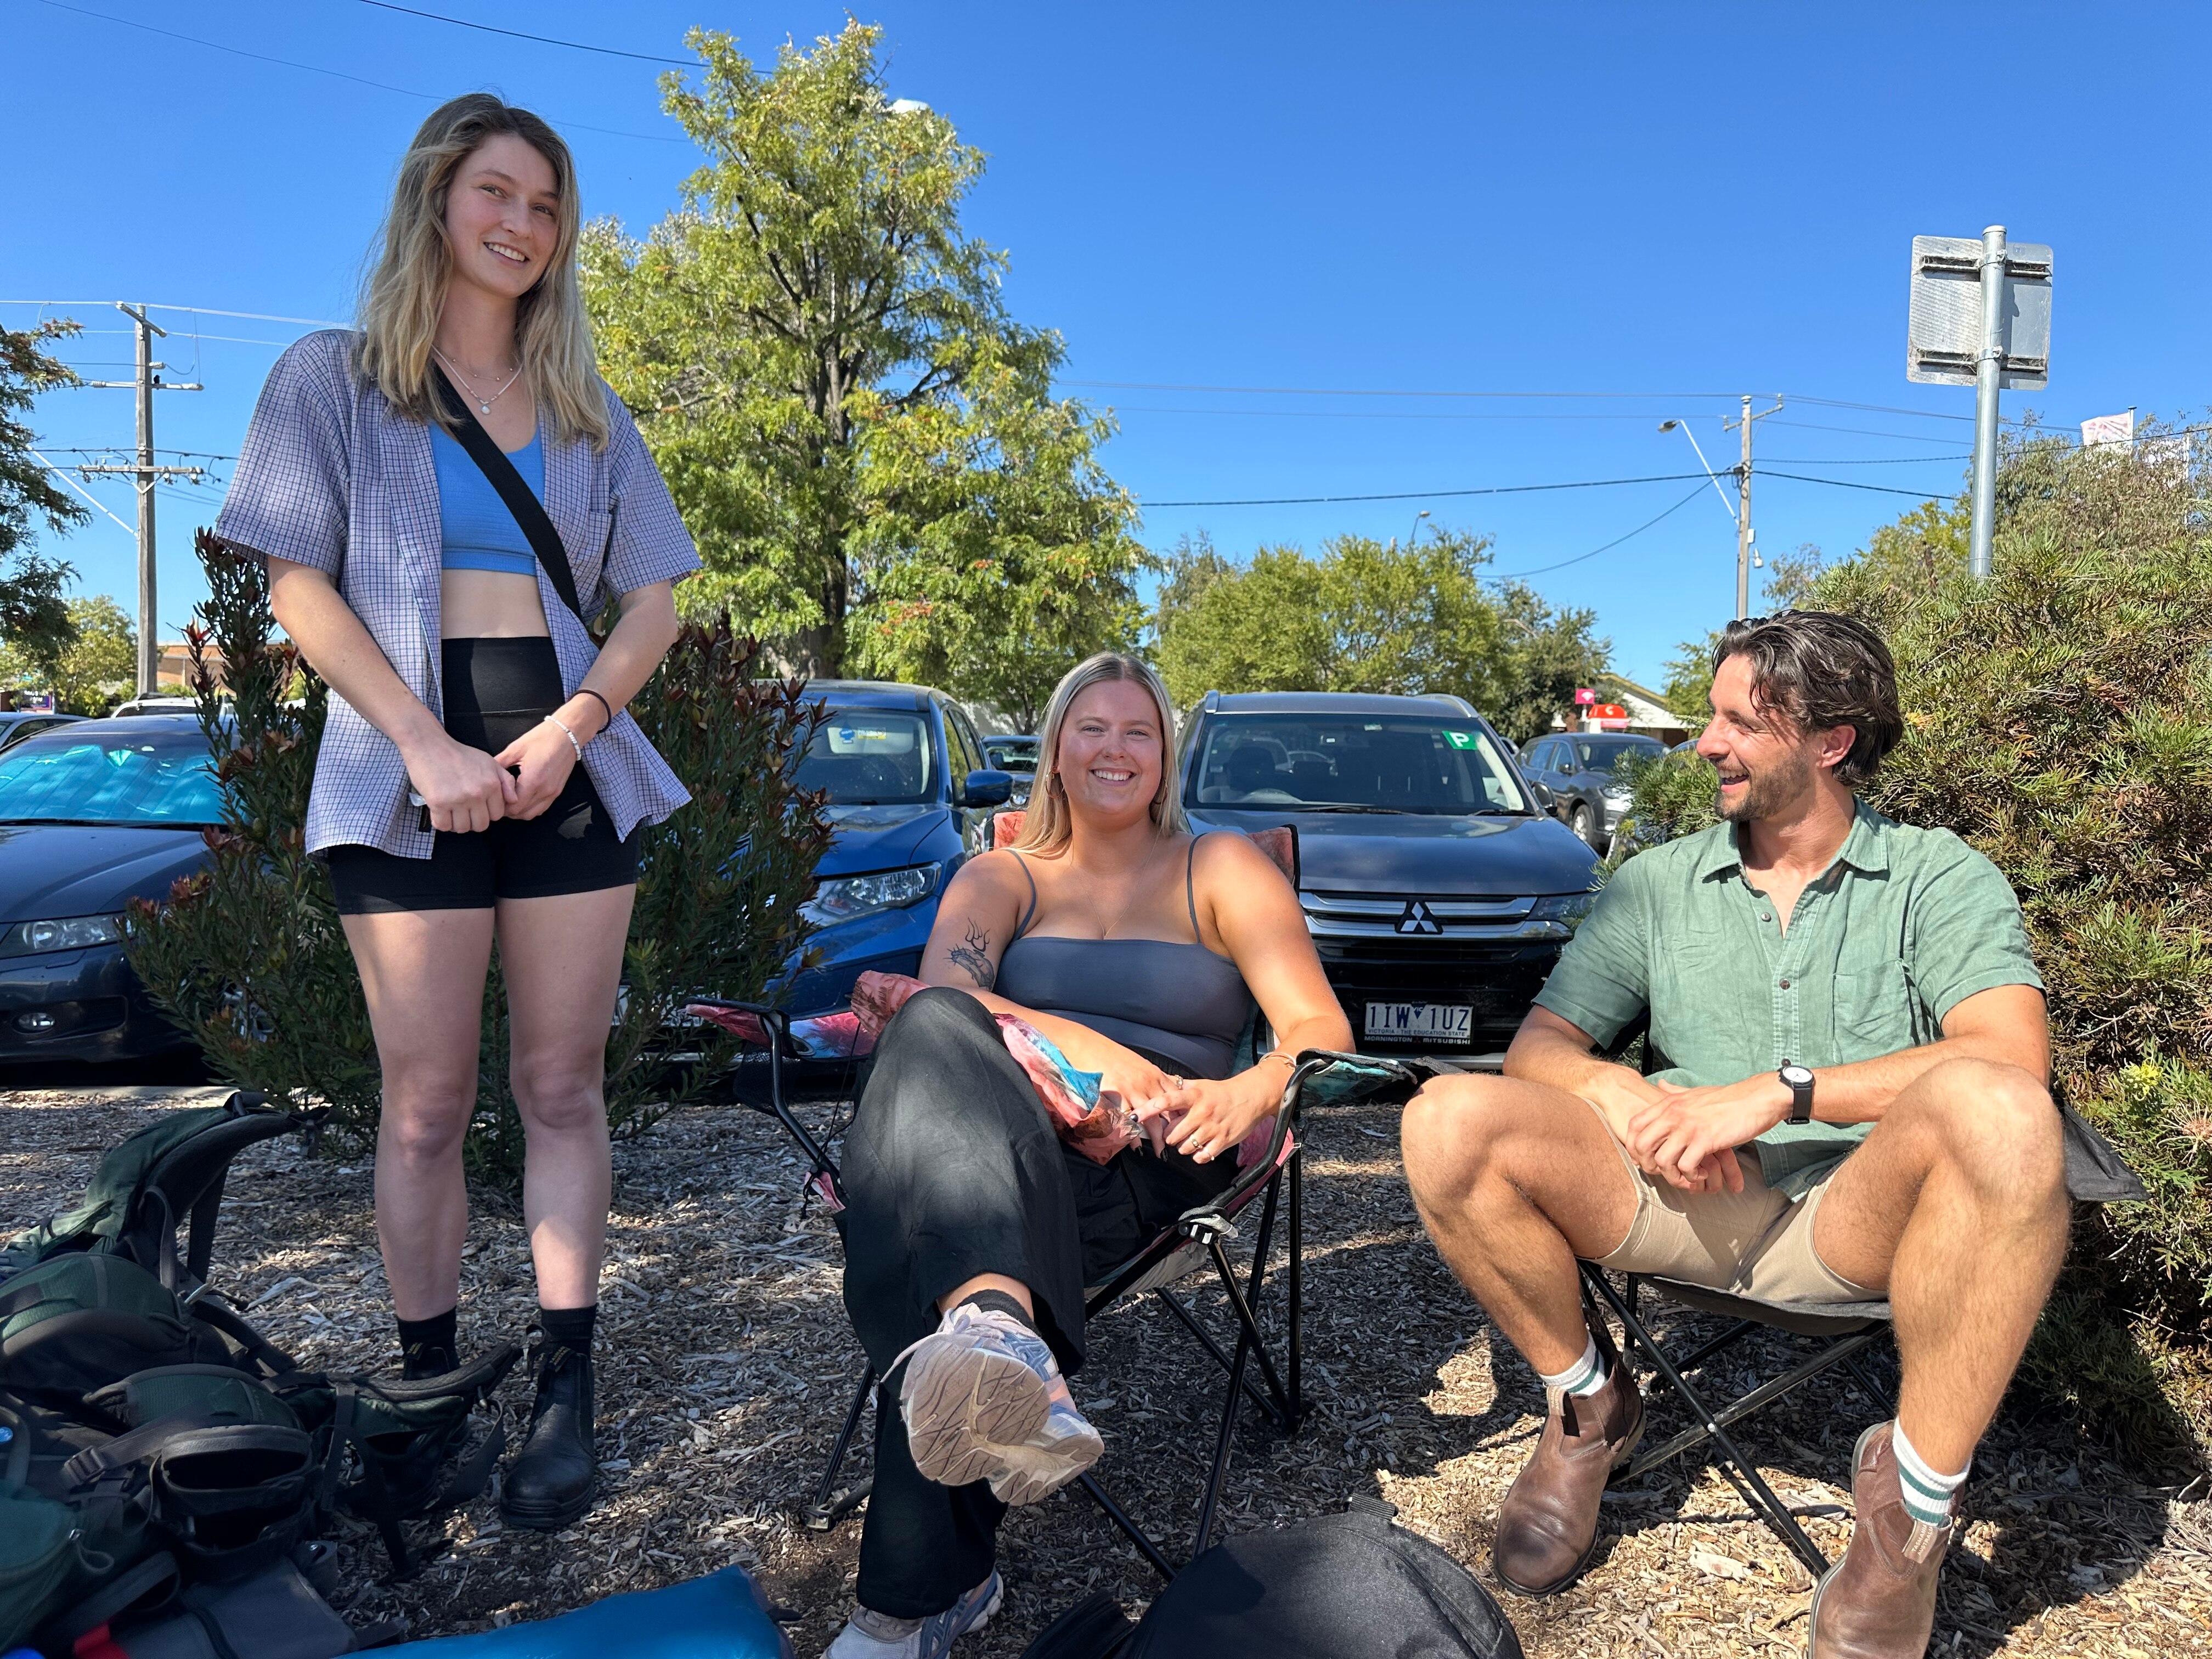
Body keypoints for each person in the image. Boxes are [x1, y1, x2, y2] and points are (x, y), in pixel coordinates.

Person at [214, 94, 700, 1531]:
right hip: (399, 765)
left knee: (561, 1087)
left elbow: (654, 599)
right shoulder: (332, 379)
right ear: (438, 200)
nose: (524, 226)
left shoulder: (588, 414)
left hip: (560, 762)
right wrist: (422, 742)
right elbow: (296, 583)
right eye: (499, 193)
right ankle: (426, 1397)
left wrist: (569, 731)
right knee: (425, 1104)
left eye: (547, 206)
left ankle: (565, 1390)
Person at [1401, 611, 2065, 1659]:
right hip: (1680, 1203)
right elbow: (1542, 1049)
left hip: (1855, 1222)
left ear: (1829, 741)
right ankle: (1587, 1409)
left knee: (2004, 1111)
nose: (1706, 743)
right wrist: (1631, 1101)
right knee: (1448, 1119)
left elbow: (2008, 1058)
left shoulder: (1939, 877)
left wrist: (1783, 1092)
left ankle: (1909, 1526)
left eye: (1736, 722)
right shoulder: (1658, 883)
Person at [825, 653, 1354, 1658]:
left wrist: (1251, 1086)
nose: (1116, 750)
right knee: (936, 1047)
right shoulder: (1001, 875)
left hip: (1160, 1156)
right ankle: (994, 1338)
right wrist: (1089, 1046)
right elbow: (947, 1013)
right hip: (1011, 1143)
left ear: (1166, 756)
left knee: (916, 1208)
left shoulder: (1222, 867)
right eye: (1092, 730)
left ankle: (913, 1598)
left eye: (1139, 732)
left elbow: (1319, 1033)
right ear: (1055, 754)